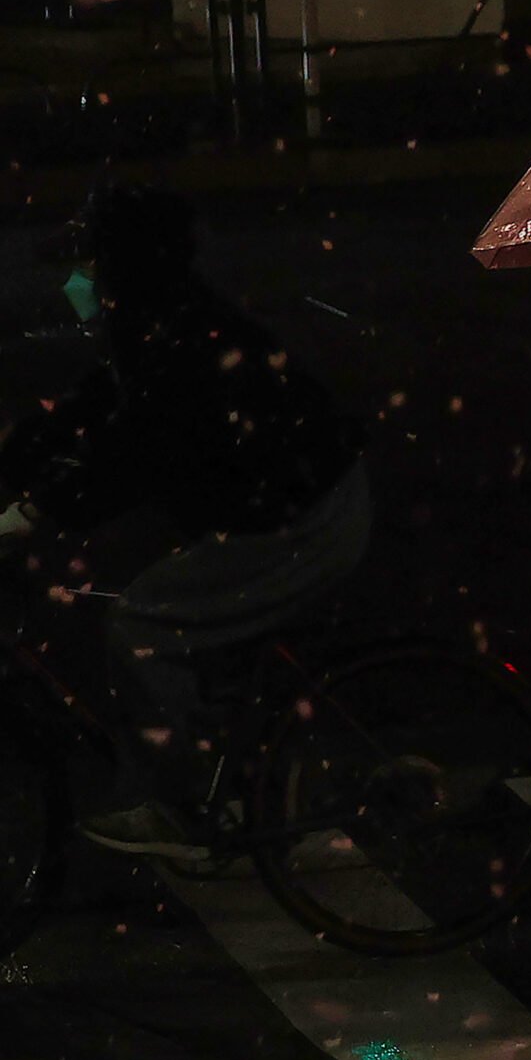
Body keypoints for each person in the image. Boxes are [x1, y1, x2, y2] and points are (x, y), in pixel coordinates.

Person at [0, 182, 369, 862]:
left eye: (93, 265)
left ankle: (184, 807)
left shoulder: (179, 340)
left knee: (142, 625)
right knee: (183, 623)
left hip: (301, 520)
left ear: (126, 265)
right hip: (281, 505)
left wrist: (33, 511)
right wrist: (16, 466)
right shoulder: (160, 321)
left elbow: (130, 454)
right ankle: (232, 780)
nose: (80, 280)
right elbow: (88, 411)